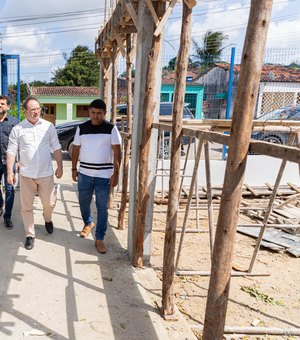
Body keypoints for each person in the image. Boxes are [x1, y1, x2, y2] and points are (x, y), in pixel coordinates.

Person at [6, 96, 63, 250]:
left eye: (38, 109)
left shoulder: (48, 126)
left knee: (49, 203)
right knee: (26, 207)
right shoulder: (18, 129)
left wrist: (60, 165)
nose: (36, 112)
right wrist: (10, 172)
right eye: (32, 109)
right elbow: (11, 152)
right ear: (25, 112)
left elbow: (56, 146)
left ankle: (47, 218)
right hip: (26, 175)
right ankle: (29, 235)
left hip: (46, 174)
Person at [72, 99, 121, 254]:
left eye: (99, 113)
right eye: (93, 112)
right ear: (89, 112)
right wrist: (74, 169)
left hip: (104, 175)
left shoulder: (111, 129)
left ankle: (99, 239)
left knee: (102, 208)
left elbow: (118, 153)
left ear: (104, 113)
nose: (96, 116)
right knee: (83, 202)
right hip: (85, 173)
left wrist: (116, 174)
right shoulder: (81, 128)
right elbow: (76, 149)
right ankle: (88, 223)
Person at [0, 96, 19, 229]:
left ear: (8, 106)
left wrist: (19, 161)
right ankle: (0, 203)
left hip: (9, 162)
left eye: (2, 104)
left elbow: (22, 143)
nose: (0, 106)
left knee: (10, 189)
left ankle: (7, 217)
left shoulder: (14, 123)